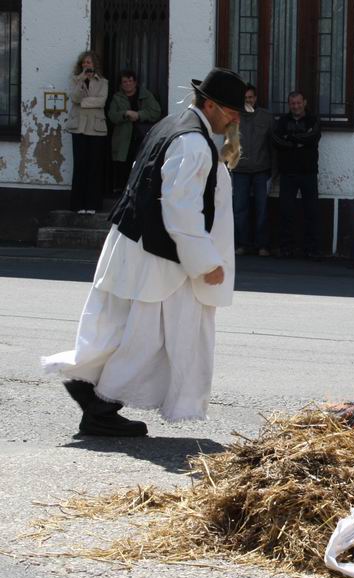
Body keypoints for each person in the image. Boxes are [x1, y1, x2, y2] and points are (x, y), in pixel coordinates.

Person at [41, 68, 247, 436]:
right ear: (210, 104)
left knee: (122, 329)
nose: (235, 118)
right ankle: (100, 406)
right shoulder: (194, 143)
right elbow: (181, 208)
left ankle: (88, 387)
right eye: (231, 110)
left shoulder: (174, 125)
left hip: (138, 244)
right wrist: (207, 263)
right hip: (160, 258)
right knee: (149, 340)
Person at [272, 91, 321, 259]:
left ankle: (312, 249)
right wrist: (300, 141)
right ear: (289, 104)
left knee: (312, 212)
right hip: (288, 173)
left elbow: (312, 138)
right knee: (286, 212)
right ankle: (286, 248)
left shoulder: (313, 120)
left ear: (304, 102)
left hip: (309, 173)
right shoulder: (282, 122)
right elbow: (277, 140)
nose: (296, 106)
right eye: (293, 103)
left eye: (299, 103)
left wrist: (291, 139)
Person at [231, 84, 275, 256]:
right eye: (244, 98)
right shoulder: (233, 118)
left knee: (262, 209)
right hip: (240, 170)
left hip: (261, 170)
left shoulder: (266, 117)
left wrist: (274, 171)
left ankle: (262, 245)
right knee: (239, 210)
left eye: (250, 97)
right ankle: (242, 244)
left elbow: (273, 146)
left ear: (255, 98)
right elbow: (229, 143)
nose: (247, 100)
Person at [66, 51, 108, 215]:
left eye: (89, 62)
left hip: (96, 129)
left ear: (94, 64)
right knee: (80, 166)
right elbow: (75, 98)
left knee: (94, 167)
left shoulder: (103, 82)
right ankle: (78, 205)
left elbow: (102, 101)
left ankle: (93, 205)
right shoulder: (75, 80)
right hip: (78, 128)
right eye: (84, 63)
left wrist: (83, 102)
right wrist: (82, 80)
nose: (86, 65)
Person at [107, 69, 162, 192]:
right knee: (122, 166)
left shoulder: (146, 95)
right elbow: (112, 116)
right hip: (123, 138)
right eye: (124, 82)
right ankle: (122, 194)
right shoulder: (117, 97)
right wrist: (125, 113)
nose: (127, 84)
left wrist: (139, 115)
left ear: (135, 82)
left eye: (130, 81)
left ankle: (138, 192)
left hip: (141, 137)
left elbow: (156, 112)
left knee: (141, 164)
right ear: (121, 85)